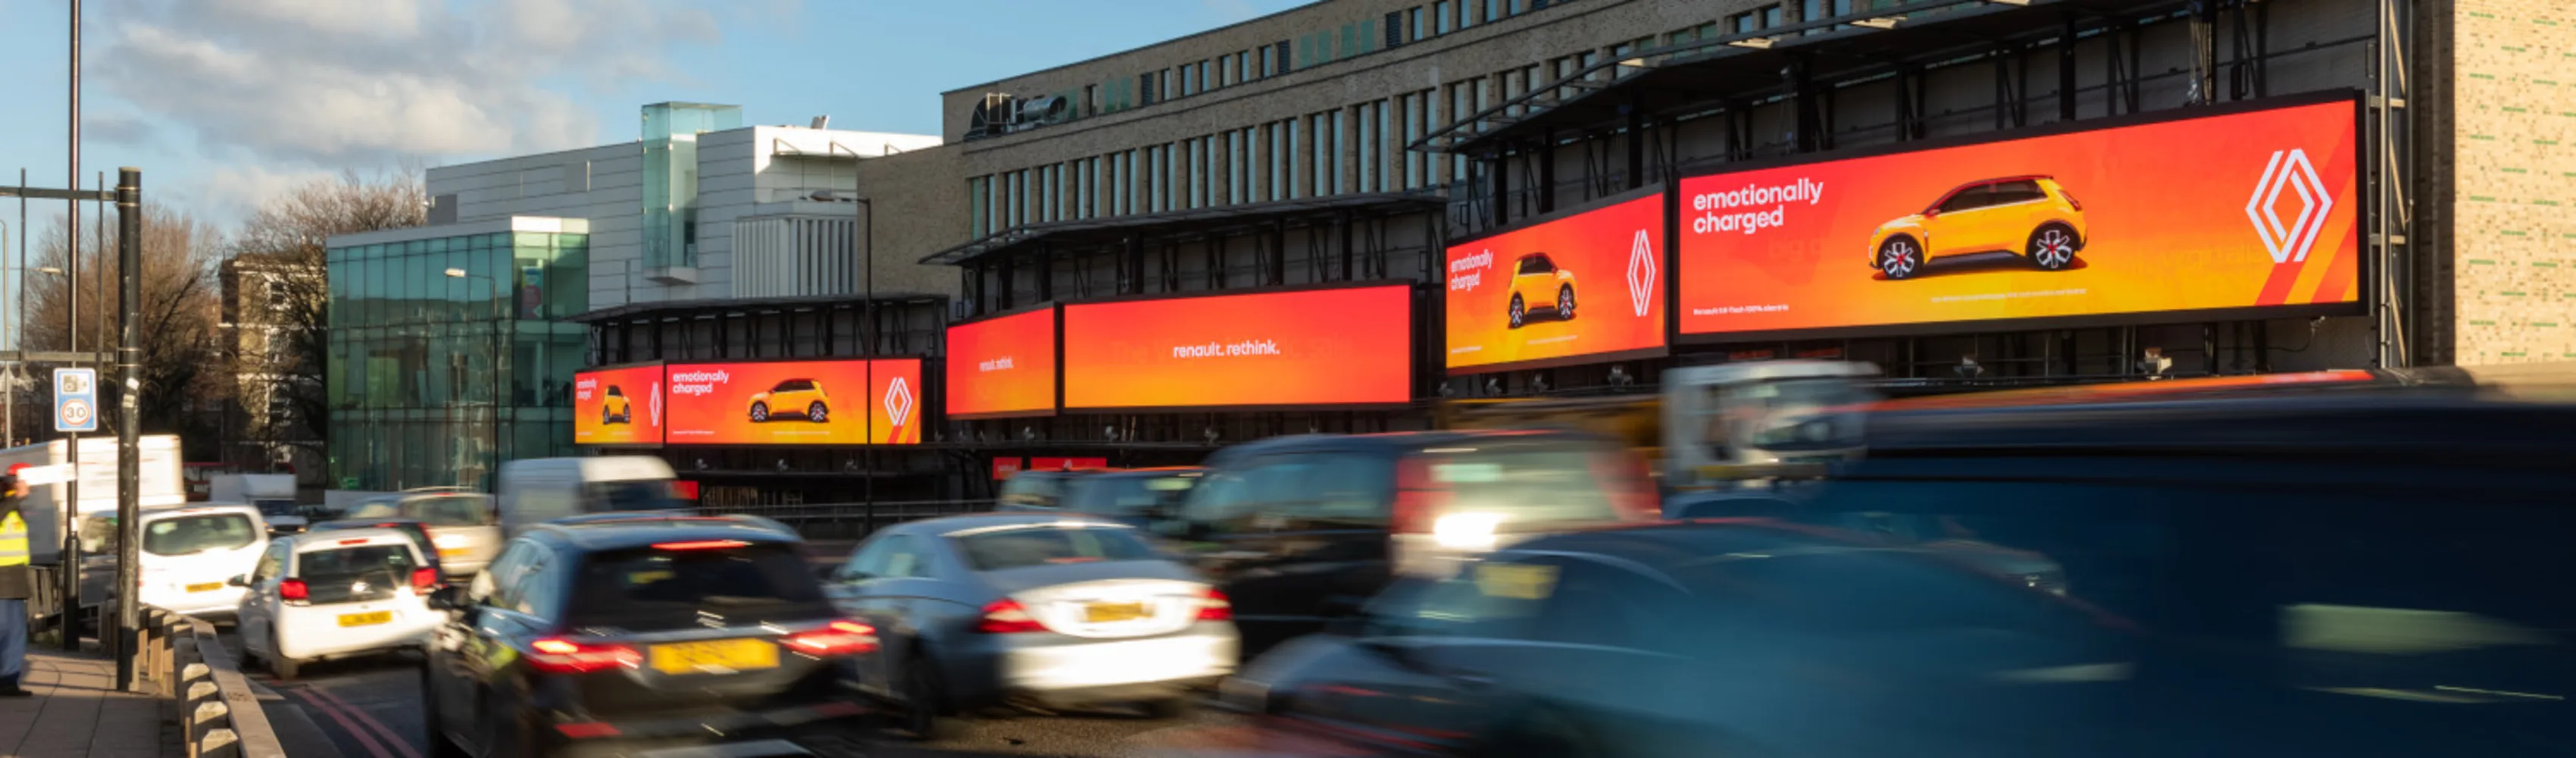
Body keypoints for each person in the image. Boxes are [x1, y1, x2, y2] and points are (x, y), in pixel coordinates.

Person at [0, 473, 32, 697]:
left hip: (16, 579)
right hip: (2, 579)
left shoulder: (12, 510)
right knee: (5, 631)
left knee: (15, 633)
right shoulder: (7, 507)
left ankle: (9, 681)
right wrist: (15, 498)